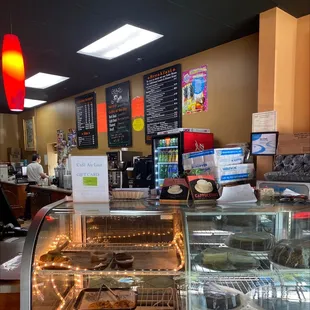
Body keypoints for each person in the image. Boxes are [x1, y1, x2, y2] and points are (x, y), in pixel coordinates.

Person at [23, 154, 48, 220]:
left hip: (30, 185)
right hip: (37, 185)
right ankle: (38, 216)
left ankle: (27, 215)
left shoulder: (28, 166)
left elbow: (28, 175)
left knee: (29, 200)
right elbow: (42, 175)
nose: (40, 160)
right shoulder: (39, 166)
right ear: (37, 159)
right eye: (40, 159)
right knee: (37, 201)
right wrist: (47, 176)